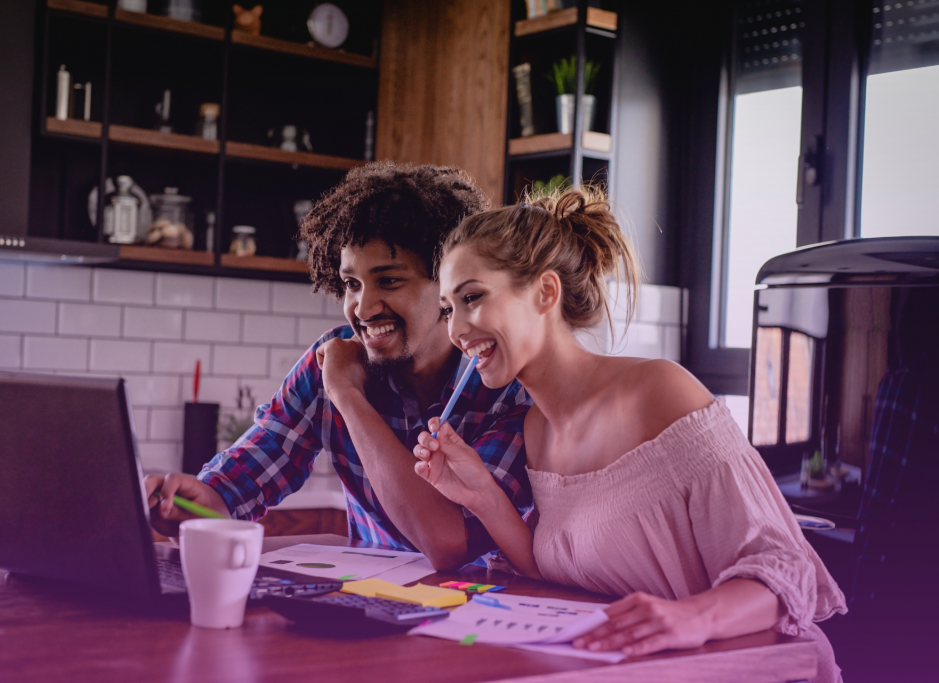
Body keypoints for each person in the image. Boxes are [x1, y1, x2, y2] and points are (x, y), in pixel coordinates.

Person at [412, 186, 846, 680]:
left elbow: (786, 572)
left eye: (472, 298)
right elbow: (550, 567)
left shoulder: (659, 391)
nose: (456, 329)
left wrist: (690, 616)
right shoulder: (539, 429)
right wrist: (483, 497)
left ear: (545, 293)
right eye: (448, 308)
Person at [145, 162, 532, 570]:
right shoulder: (330, 362)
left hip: (483, 610)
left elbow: (449, 542)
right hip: (371, 604)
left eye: (389, 281)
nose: (362, 308)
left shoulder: (504, 385)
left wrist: (349, 397)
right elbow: (245, 478)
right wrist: (198, 502)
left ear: (447, 285)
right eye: (352, 284)